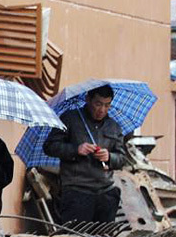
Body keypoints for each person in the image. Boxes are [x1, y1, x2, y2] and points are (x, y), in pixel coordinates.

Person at [43, 84, 126, 223]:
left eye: (107, 105)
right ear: (88, 99)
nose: (102, 110)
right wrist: (76, 149)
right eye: (98, 104)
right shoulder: (70, 119)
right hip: (77, 191)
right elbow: (50, 146)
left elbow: (122, 158)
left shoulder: (114, 127)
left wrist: (110, 157)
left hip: (106, 192)